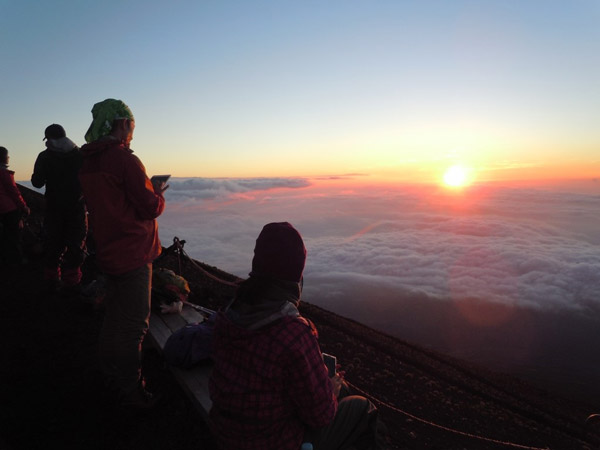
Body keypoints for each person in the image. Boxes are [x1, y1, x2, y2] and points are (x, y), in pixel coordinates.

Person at [209, 222, 384, 450]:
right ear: (296, 274)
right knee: (362, 407)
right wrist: (330, 390)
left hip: (227, 432)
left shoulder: (230, 313)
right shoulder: (293, 333)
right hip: (275, 442)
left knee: (340, 392)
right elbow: (320, 416)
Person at [79, 99, 167, 408]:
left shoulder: (88, 161)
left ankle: (109, 374)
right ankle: (131, 390)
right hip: (133, 252)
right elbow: (148, 207)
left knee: (114, 319)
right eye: (129, 124)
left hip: (108, 249)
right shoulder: (125, 160)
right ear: (119, 124)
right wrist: (156, 190)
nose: (131, 131)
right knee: (133, 326)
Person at [31, 124, 87, 293]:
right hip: (77, 207)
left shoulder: (45, 157)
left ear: (48, 139)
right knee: (76, 243)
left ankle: (52, 278)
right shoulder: (80, 155)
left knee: (53, 243)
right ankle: (72, 282)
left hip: (54, 207)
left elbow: (37, 182)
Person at [0, 146, 30, 266]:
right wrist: (24, 207)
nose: (9, 158)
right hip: (8, 208)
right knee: (14, 235)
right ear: (3, 158)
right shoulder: (4, 173)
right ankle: (16, 260)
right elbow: (14, 192)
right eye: (7, 156)